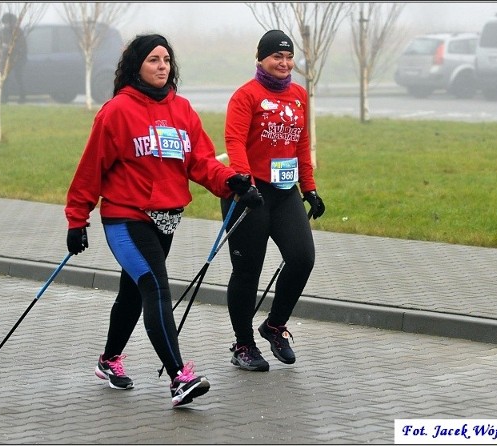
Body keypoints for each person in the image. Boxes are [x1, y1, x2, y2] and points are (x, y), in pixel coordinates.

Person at [64, 33, 263, 407]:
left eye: (167, 61)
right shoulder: (117, 111)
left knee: (132, 293)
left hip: (167, 219)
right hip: (126, 218)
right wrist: (77, 219)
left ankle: (108, 361)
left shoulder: (182, 109)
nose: (162, 67)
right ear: (136, 65)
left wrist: (233, 183)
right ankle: (179, 378)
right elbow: (91, 169)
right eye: (154, 60)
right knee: (155, 288)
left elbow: (200, 162)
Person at [220, 30, 325, 372]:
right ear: (261, 60)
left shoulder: (297, 94)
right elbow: (234, 141)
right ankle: (243, 344)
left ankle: (274, 326)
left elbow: (301, 144)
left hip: (284, 193)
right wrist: (245, 182)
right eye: (275, 57)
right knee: (248, 271)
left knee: (302, 257)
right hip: (250, 194)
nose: (283, 63)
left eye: (287, 56)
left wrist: (309, 188)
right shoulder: (246, 95)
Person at [0, 13, 27, 103]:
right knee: (4, 79)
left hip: (17, 59)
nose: (6, 25)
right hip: (6, 59)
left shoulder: (18, 32)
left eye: (7, 23)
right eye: (5, 23)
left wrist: (10, 47)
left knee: (18, 78)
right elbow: (0, 43)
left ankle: (22, 97)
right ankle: (4, 98)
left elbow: (22, 46)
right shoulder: (3, 31)